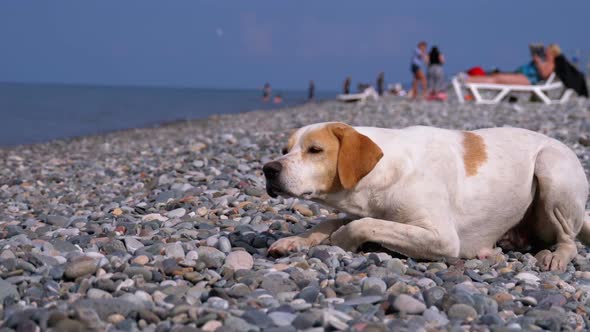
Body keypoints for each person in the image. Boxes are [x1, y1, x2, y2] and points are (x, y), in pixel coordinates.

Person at [464, 44, 556, 85]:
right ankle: (468, 79)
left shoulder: (551, 64)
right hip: (523, 76)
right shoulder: (546, 62)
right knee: (496, 76)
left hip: (528, 79)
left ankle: (467, 80)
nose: (545, 53)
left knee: (496, 79)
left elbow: (544, 74)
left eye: (547, 51)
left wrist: (537, 61)